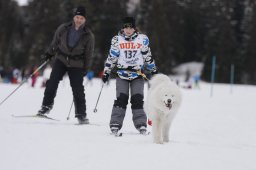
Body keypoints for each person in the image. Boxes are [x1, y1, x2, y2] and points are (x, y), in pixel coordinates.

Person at [37, 6, 94, 124]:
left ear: (85, 20)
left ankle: (81, 115)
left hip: (77, 63)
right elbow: (55, 42)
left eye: (81, 18)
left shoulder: (88, 35)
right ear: (74, 17)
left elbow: (89, 54)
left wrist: (85, 69)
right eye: (77, 17)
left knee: (78, 89)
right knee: (52, 82)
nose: (79, 20)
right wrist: (49, 53)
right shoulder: (63, 28)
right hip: (61, 59)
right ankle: (46, 107)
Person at [102, 17, 157, 134]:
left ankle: (141, 124)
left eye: (130, 27)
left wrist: (153, 70)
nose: (128, 30)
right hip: (122, 74)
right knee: (121, 99)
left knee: (137, 99)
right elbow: (112, 57)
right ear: (123, 28)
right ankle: (115, 123)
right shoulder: (117, 40)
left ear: (134, 28)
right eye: (126, 27)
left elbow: (148, 56)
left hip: (137, 74)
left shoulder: (142, 39)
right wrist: (106, 71)